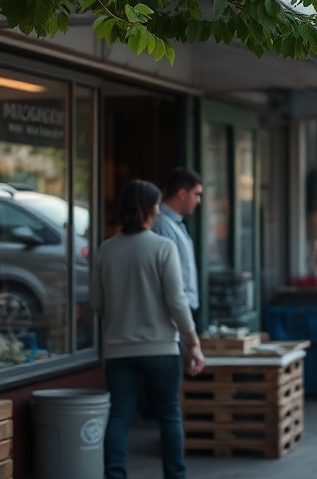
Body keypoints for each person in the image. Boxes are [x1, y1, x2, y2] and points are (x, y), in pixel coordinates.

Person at [92, 179, 205, 479]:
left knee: (119, 416)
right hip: (161, 349)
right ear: (150, 209)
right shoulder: (163, 247)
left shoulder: (105, 249)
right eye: (156, 204)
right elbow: (176, 301)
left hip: (118, 350)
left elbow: (96, 302)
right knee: (169, 415)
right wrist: (192, 341)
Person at [152, 167, 202, 318]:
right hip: (173, 313)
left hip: (182, 310)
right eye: (196, 194)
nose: (198, 201)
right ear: (182, 194)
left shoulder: (176, 224)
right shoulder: (161, 224)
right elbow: (165, 274)